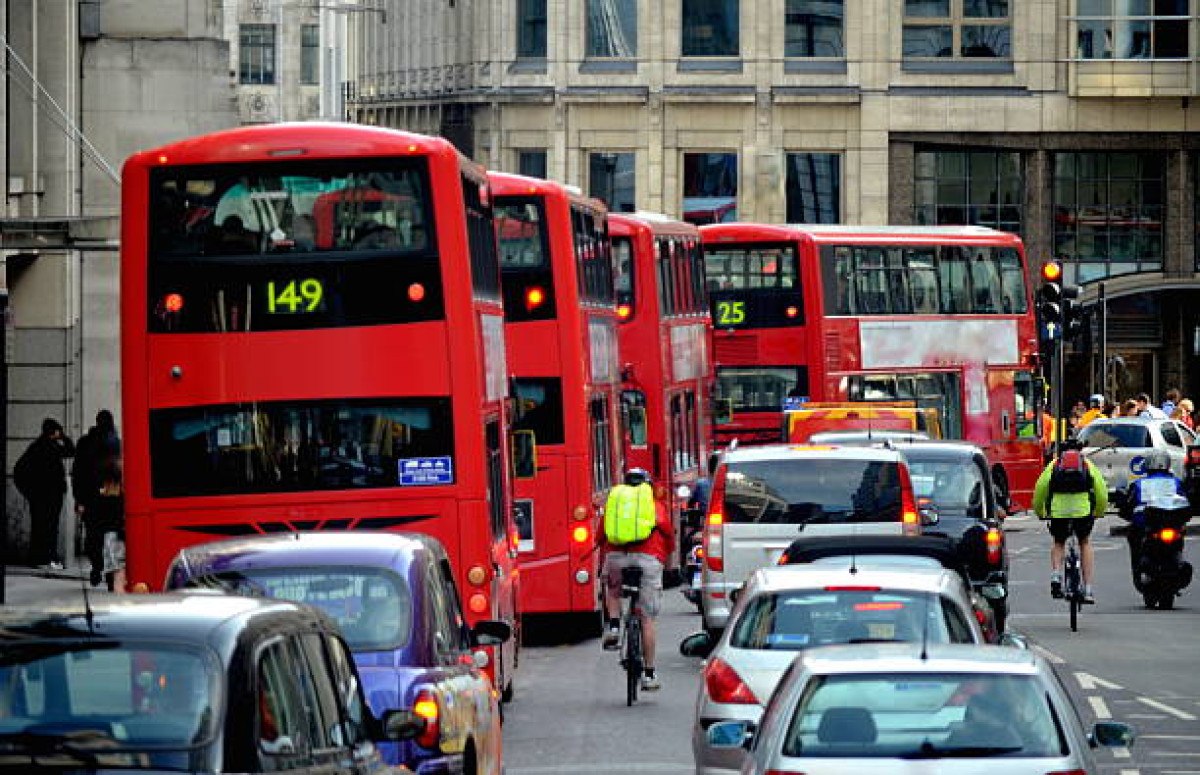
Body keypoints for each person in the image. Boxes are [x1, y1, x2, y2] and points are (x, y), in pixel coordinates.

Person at [599, 467, 675, 691]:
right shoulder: (654, 505)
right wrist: (666, 555)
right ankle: (649, 674)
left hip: (615, 558)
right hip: (648, 560)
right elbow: (668, 536)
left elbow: (600, 535)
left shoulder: (613, 505)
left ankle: (613, 626)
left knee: (611, 588)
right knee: (647, 619)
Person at [1033, 439, 1108, 604]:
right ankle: (1088, 589)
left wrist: (1040, 511)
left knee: (1059, 542)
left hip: (1059, 511)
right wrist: (1099, 511)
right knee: (1084, 542)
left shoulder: (1055, 465)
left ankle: (1056, 575)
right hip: (1082, 510)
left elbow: (1040, 489)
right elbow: (1101, 491)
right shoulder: (1087, 464)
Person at [13, 418, 75, 569]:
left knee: (40, 527)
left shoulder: (38, 446)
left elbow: (19, 470)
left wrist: (29, 492)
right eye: (57, 431)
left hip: (40, 495)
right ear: (54, 432)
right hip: (49, 495)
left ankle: (39, 558)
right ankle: (46, 558)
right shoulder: (49, 447)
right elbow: (71, 451)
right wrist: (65, 437)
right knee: (49, 528)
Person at [1119, 449, 1187, 589]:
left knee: (1134, 538)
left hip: (1146, 528)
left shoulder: (1139, 484)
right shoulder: (1176, 483)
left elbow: (1127, 505)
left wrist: (1125, 511)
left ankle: (1141, 569)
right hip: (1168, 528)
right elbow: (1187, 501)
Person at [72, 410, 122, 586]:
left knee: (94, 535)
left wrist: (79, 498)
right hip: (112, 497)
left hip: (92, 497)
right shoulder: (116, 443)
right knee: (111, 535)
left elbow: (77, 473)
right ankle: (109, 570)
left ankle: (97, 566)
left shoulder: (85, 443)